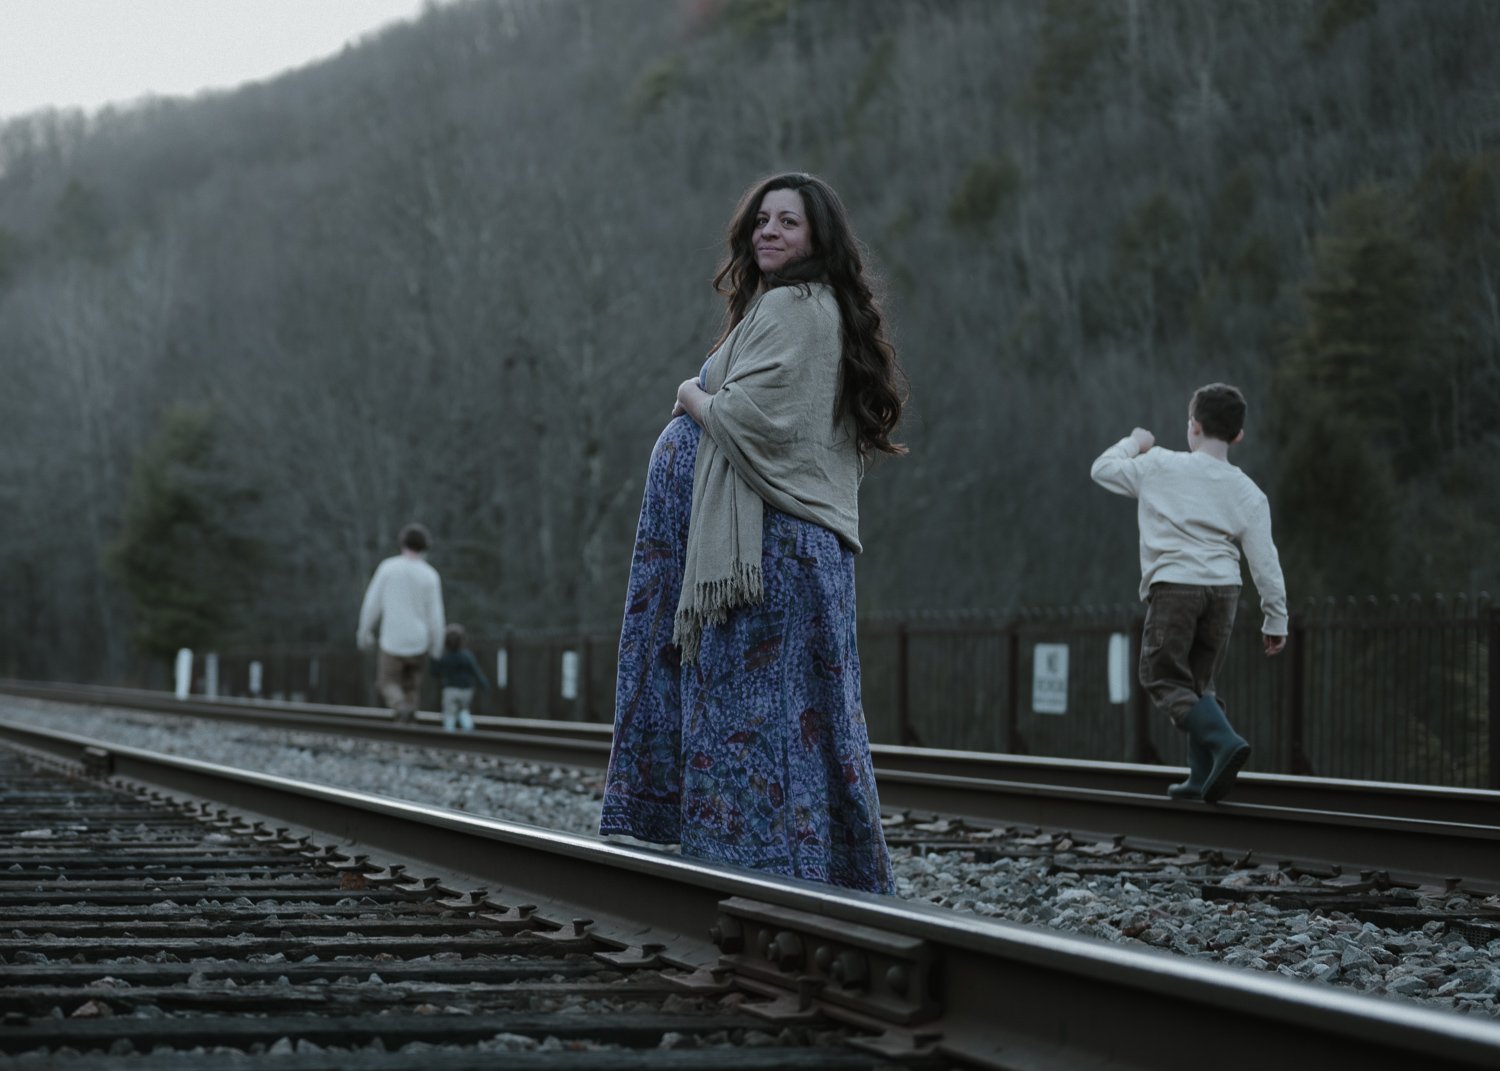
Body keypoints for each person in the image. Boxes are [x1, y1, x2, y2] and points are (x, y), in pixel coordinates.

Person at [599, 172, 907, 894]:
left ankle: (762, 869)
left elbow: (754, 423)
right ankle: (784, 869)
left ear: (817, 237)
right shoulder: (781, 308)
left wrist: (690, 397)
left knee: (757, 717)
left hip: (769, 555)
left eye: (788, 222)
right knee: (776, 717)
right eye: (761, 220)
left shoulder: (797, 309)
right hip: (767, 554)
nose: (769, 231)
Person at [1090, 383, 1288, 803]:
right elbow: (1264, 560)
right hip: (1224, 590)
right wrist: (1275, 618)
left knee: (1160, 674)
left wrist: (1135, 442)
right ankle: (1201, 778)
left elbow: (1102, 468)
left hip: (1176, 585)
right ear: (1238, 436)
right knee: (1200, 683)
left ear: (1193, 427)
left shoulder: (1159, 464)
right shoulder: (1248, 491)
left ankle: (1225, 742)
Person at [356, 523, 446, 723]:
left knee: (387, 682)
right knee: (411, 686)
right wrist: (436, 646)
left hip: (392, 640)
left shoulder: (388, 568)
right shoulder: (430, 575)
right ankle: (408, 721)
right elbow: (436, 616)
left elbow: (372, 604)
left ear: (402, 543)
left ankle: (400, 706)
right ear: (425, 547)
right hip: (418, 642)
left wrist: (364, 632)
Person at [429, 624, 490, 732]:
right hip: (466, 691)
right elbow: (476, 671)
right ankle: (468, 731)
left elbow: (434, 672)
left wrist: (433, 659)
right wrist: (484, 684)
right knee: (463, 711)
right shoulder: (467, 656)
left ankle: (449, 735)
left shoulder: (445, 657)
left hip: (451, 690)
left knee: (450, 714)